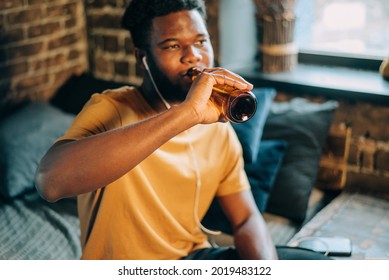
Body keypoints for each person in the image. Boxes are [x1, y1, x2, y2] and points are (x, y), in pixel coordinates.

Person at [35, 0, 330, 260]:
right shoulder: (111, 108)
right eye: (173, 45)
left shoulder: (219, 131)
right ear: (142, 58)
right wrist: (186, 114)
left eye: (201, 42)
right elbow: (51, 183)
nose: (193, 56)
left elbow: (246, 219)